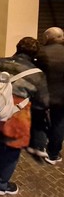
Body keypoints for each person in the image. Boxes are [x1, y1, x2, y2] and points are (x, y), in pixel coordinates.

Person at [0, 37, 49, 196]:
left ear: (17, 47)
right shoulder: (37, 74)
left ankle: (0, 162)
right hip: (17, 116)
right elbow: (42, 102)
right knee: (12, 150)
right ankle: (1, 185)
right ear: (35, 54)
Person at [35, 27, 64, 165]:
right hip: (62, 97)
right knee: (59, 123)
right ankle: (53, 154)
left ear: (47, 38)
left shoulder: (41, 53)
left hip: (44, 95)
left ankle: (40, 147)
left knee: (39, 120)